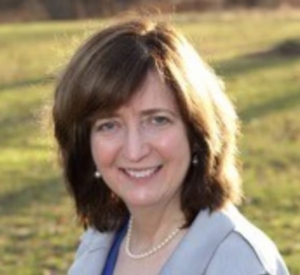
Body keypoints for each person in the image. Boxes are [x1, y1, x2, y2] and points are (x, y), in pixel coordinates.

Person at [52, 17, 290, 275]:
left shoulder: (239, 262)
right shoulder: (99, 241)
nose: (134, 150)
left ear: (197, 132)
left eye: (157, 120)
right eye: (109, 125)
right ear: (84, 144)